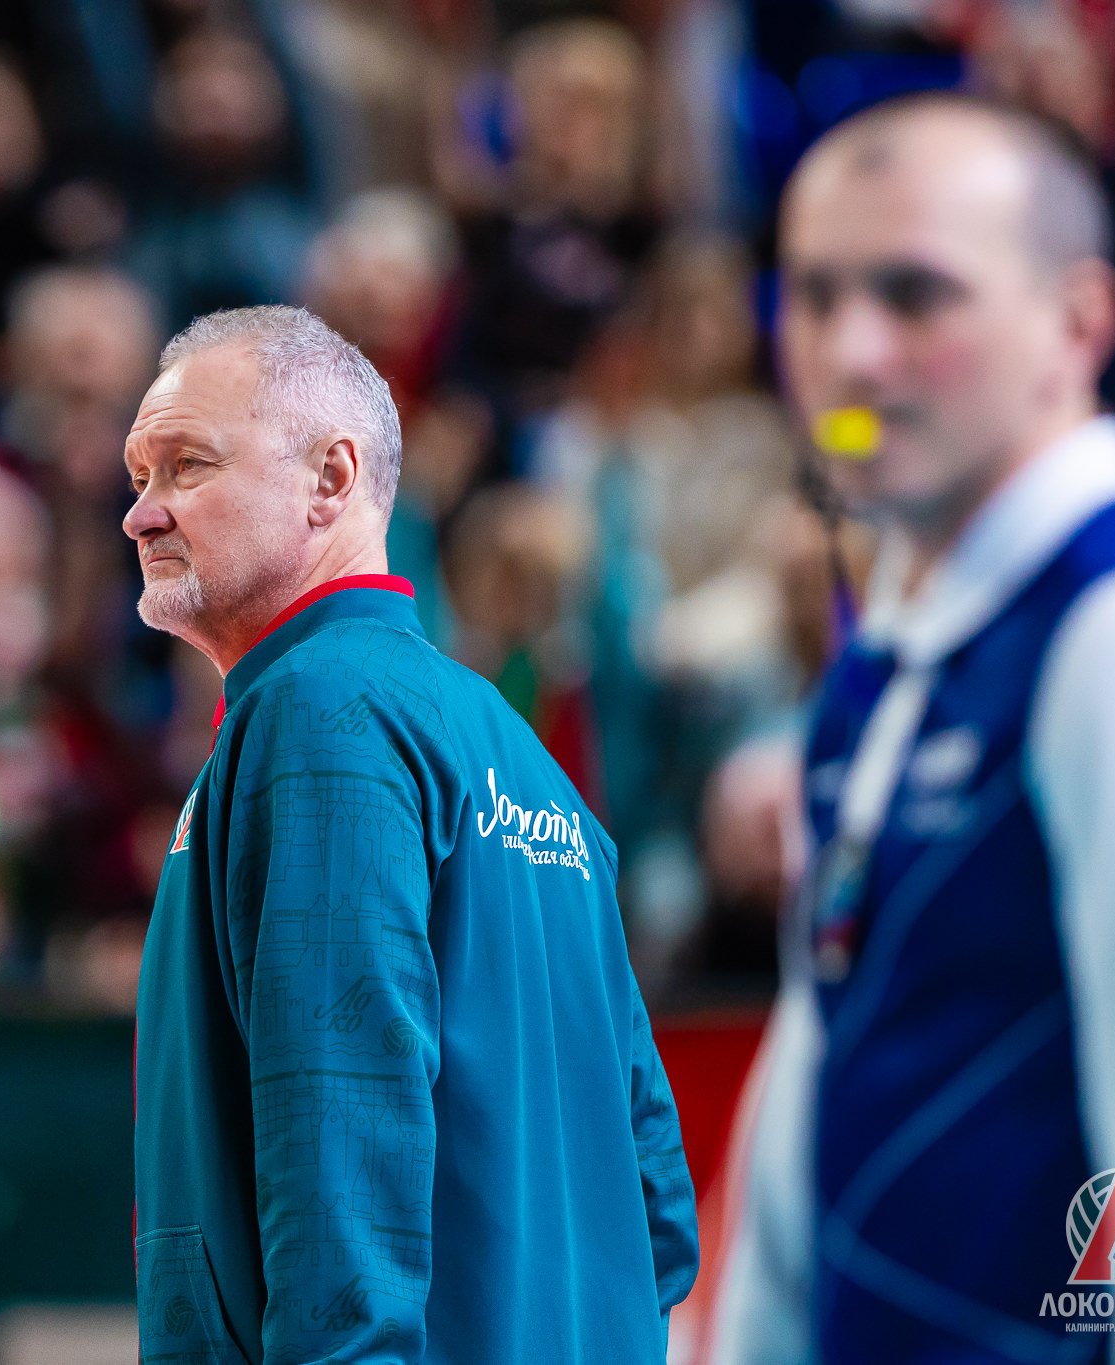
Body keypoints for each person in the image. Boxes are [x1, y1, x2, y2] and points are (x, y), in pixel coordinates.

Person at [712, 94, 1115, 1362]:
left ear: (1077, 323)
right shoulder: (888, 657)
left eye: (914, 295)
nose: (851, 356)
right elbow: (814, 1094)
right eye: (812, 294)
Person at [123, 305, 697, 1362]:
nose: (140, 514)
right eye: (138, 476)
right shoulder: (522, 757)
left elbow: (338, 1123)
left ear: (330, 477)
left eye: (186, 465)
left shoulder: (318, 710)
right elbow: (658, 1205)